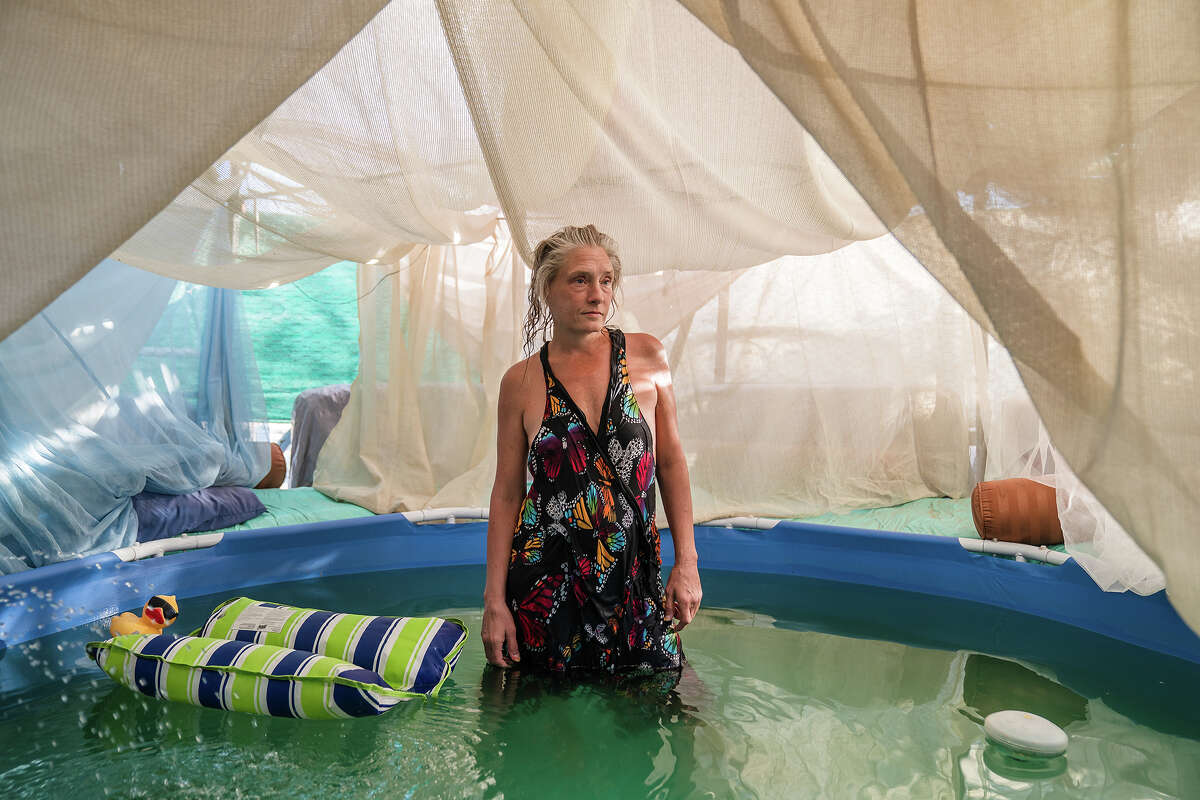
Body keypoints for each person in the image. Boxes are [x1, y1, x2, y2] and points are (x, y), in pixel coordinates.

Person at [482, 224, 702, 675]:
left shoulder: (647, 356)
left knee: (672, 705)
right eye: (580, 279)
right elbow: (507, 493)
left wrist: (687, 563)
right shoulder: (520, 382)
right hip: (546, 585)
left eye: (605, 280)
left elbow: (671, 461)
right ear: (548, 288)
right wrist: (494, 601)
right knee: (541, 724)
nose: (597, 294)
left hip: (634, 581)